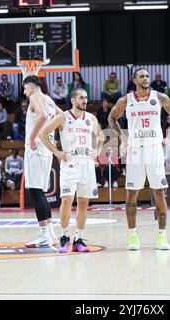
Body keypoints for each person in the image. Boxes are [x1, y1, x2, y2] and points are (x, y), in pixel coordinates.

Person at [108, 68, 170, 251]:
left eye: (147, 76)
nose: (146, 78)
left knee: (159, 193)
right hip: (134, 151)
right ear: (134, 80)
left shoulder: (160, 97)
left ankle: (162, 236)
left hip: (154, 149)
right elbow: (111, 118)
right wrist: (122, 137)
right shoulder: (125, 100)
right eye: (142, 76)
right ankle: (133, 236)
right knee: (131, 194)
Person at [39, 87, 105, 253]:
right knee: (67, 200)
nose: (85, 100)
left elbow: (101, 137)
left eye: (86, 97)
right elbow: (43, 134)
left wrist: (97, 151)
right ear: (73, 100)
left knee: (83, 202)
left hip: (87, 164)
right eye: (81, 98)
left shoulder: (91, 118)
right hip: (70, 163)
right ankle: (64, 236)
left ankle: (78, 238)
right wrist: (57, 152)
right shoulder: (63, 117)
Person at [22, 76, 62, 250]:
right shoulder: (50, 100)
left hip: (37, 148)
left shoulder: (35, 97)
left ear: (30, 86)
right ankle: (50, 233)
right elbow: (61, 116)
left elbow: (44, 116)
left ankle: (44, 235)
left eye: (25, 88)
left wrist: (32, 137)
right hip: (46, 148)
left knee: (35, 192)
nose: (24, 92)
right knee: (40, 192)